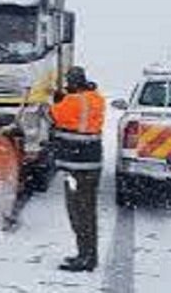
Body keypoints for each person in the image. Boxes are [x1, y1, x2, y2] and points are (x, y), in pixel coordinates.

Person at [49, 66, 105, 272]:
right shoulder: (97, 98)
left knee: (78, 213)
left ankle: (86, 258)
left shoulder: (71, 102)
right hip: (92, 165)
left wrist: (57, 99)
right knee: (88, 212)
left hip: (76, 168)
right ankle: (89, 254)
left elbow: (52, 115)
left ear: (72, 82)